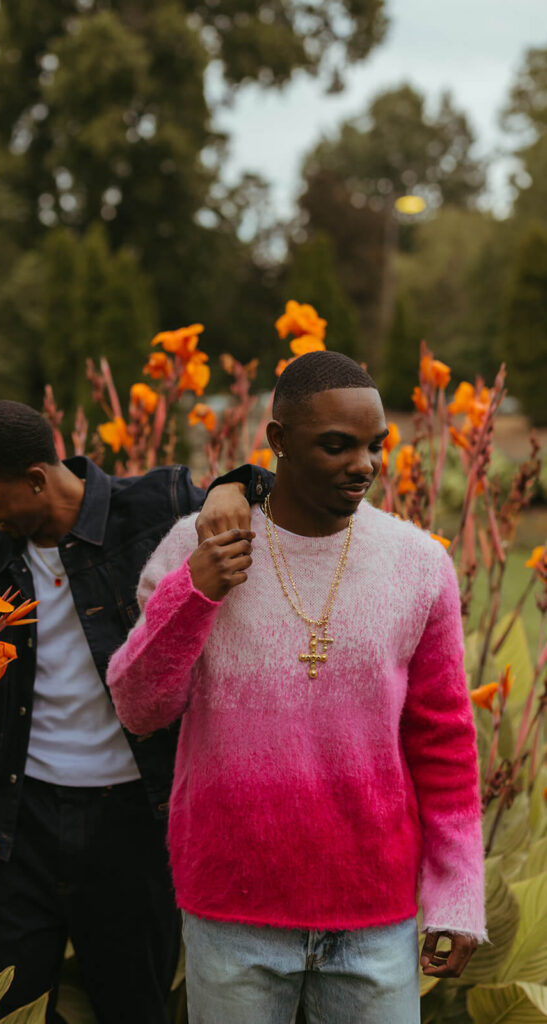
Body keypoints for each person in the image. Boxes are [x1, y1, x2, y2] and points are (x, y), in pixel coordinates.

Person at [107, 351, 487, 1024]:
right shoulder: (195, 548)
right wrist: (195, 591)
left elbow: (444, 742)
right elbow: (140, 708)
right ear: (277, 441)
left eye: (374, 446)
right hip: (232, 908)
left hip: (375, 915)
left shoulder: (419, 565)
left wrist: (457, 896)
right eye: (335, 446)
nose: (363, 465)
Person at [0, 399, 272, 1024]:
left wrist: (235, 483)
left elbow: (283, 496)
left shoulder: (156, 507)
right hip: (15, 826)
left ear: (37, 478)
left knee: (133, 1008)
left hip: (134, 824)